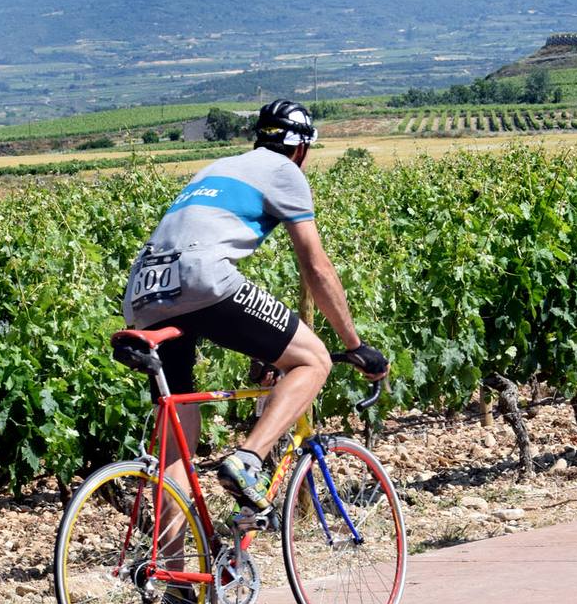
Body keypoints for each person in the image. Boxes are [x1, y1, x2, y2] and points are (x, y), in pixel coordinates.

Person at [123, 99, 388, 518]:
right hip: (200, 275)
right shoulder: (285, 171)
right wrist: (354, 344)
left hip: (142, 290)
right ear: (300, 148)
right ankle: (247, 460)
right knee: (313, 359)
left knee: (178, 444)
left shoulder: (216, 168)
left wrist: (263, 350)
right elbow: (316, 268)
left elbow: (225, 310)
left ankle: (173, 575)